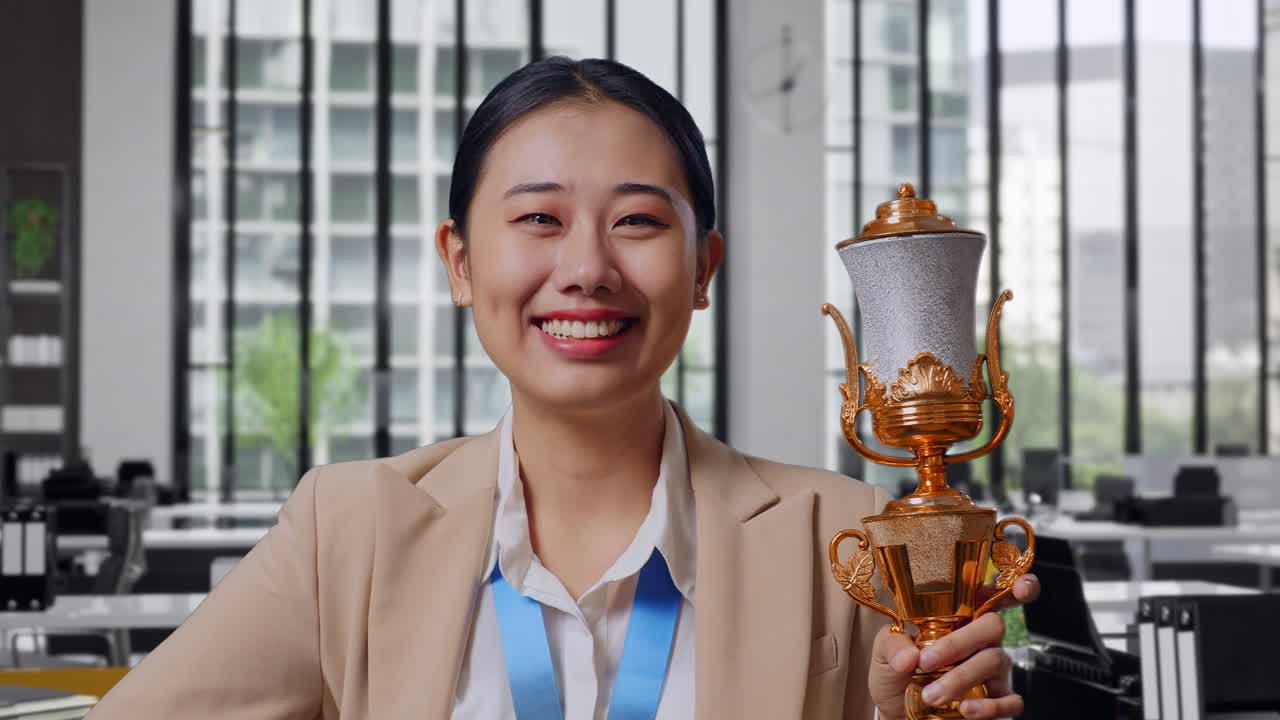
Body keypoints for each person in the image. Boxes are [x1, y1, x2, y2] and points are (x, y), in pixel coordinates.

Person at [89, 56, 1038, 719]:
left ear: (704, 268)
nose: (585, 268)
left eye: (636, 221)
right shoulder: (350, 530)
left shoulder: (851, 534)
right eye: (538, 218)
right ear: (459, 262)